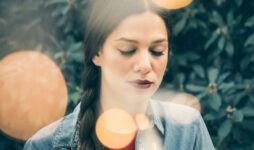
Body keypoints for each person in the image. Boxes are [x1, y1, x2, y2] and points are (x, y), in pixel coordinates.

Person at [24, 0, 215, 149]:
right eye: (127, 49)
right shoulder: (45, 145)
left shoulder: (188, 130)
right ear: (96, 53)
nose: (145, 65)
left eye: (157, 51)